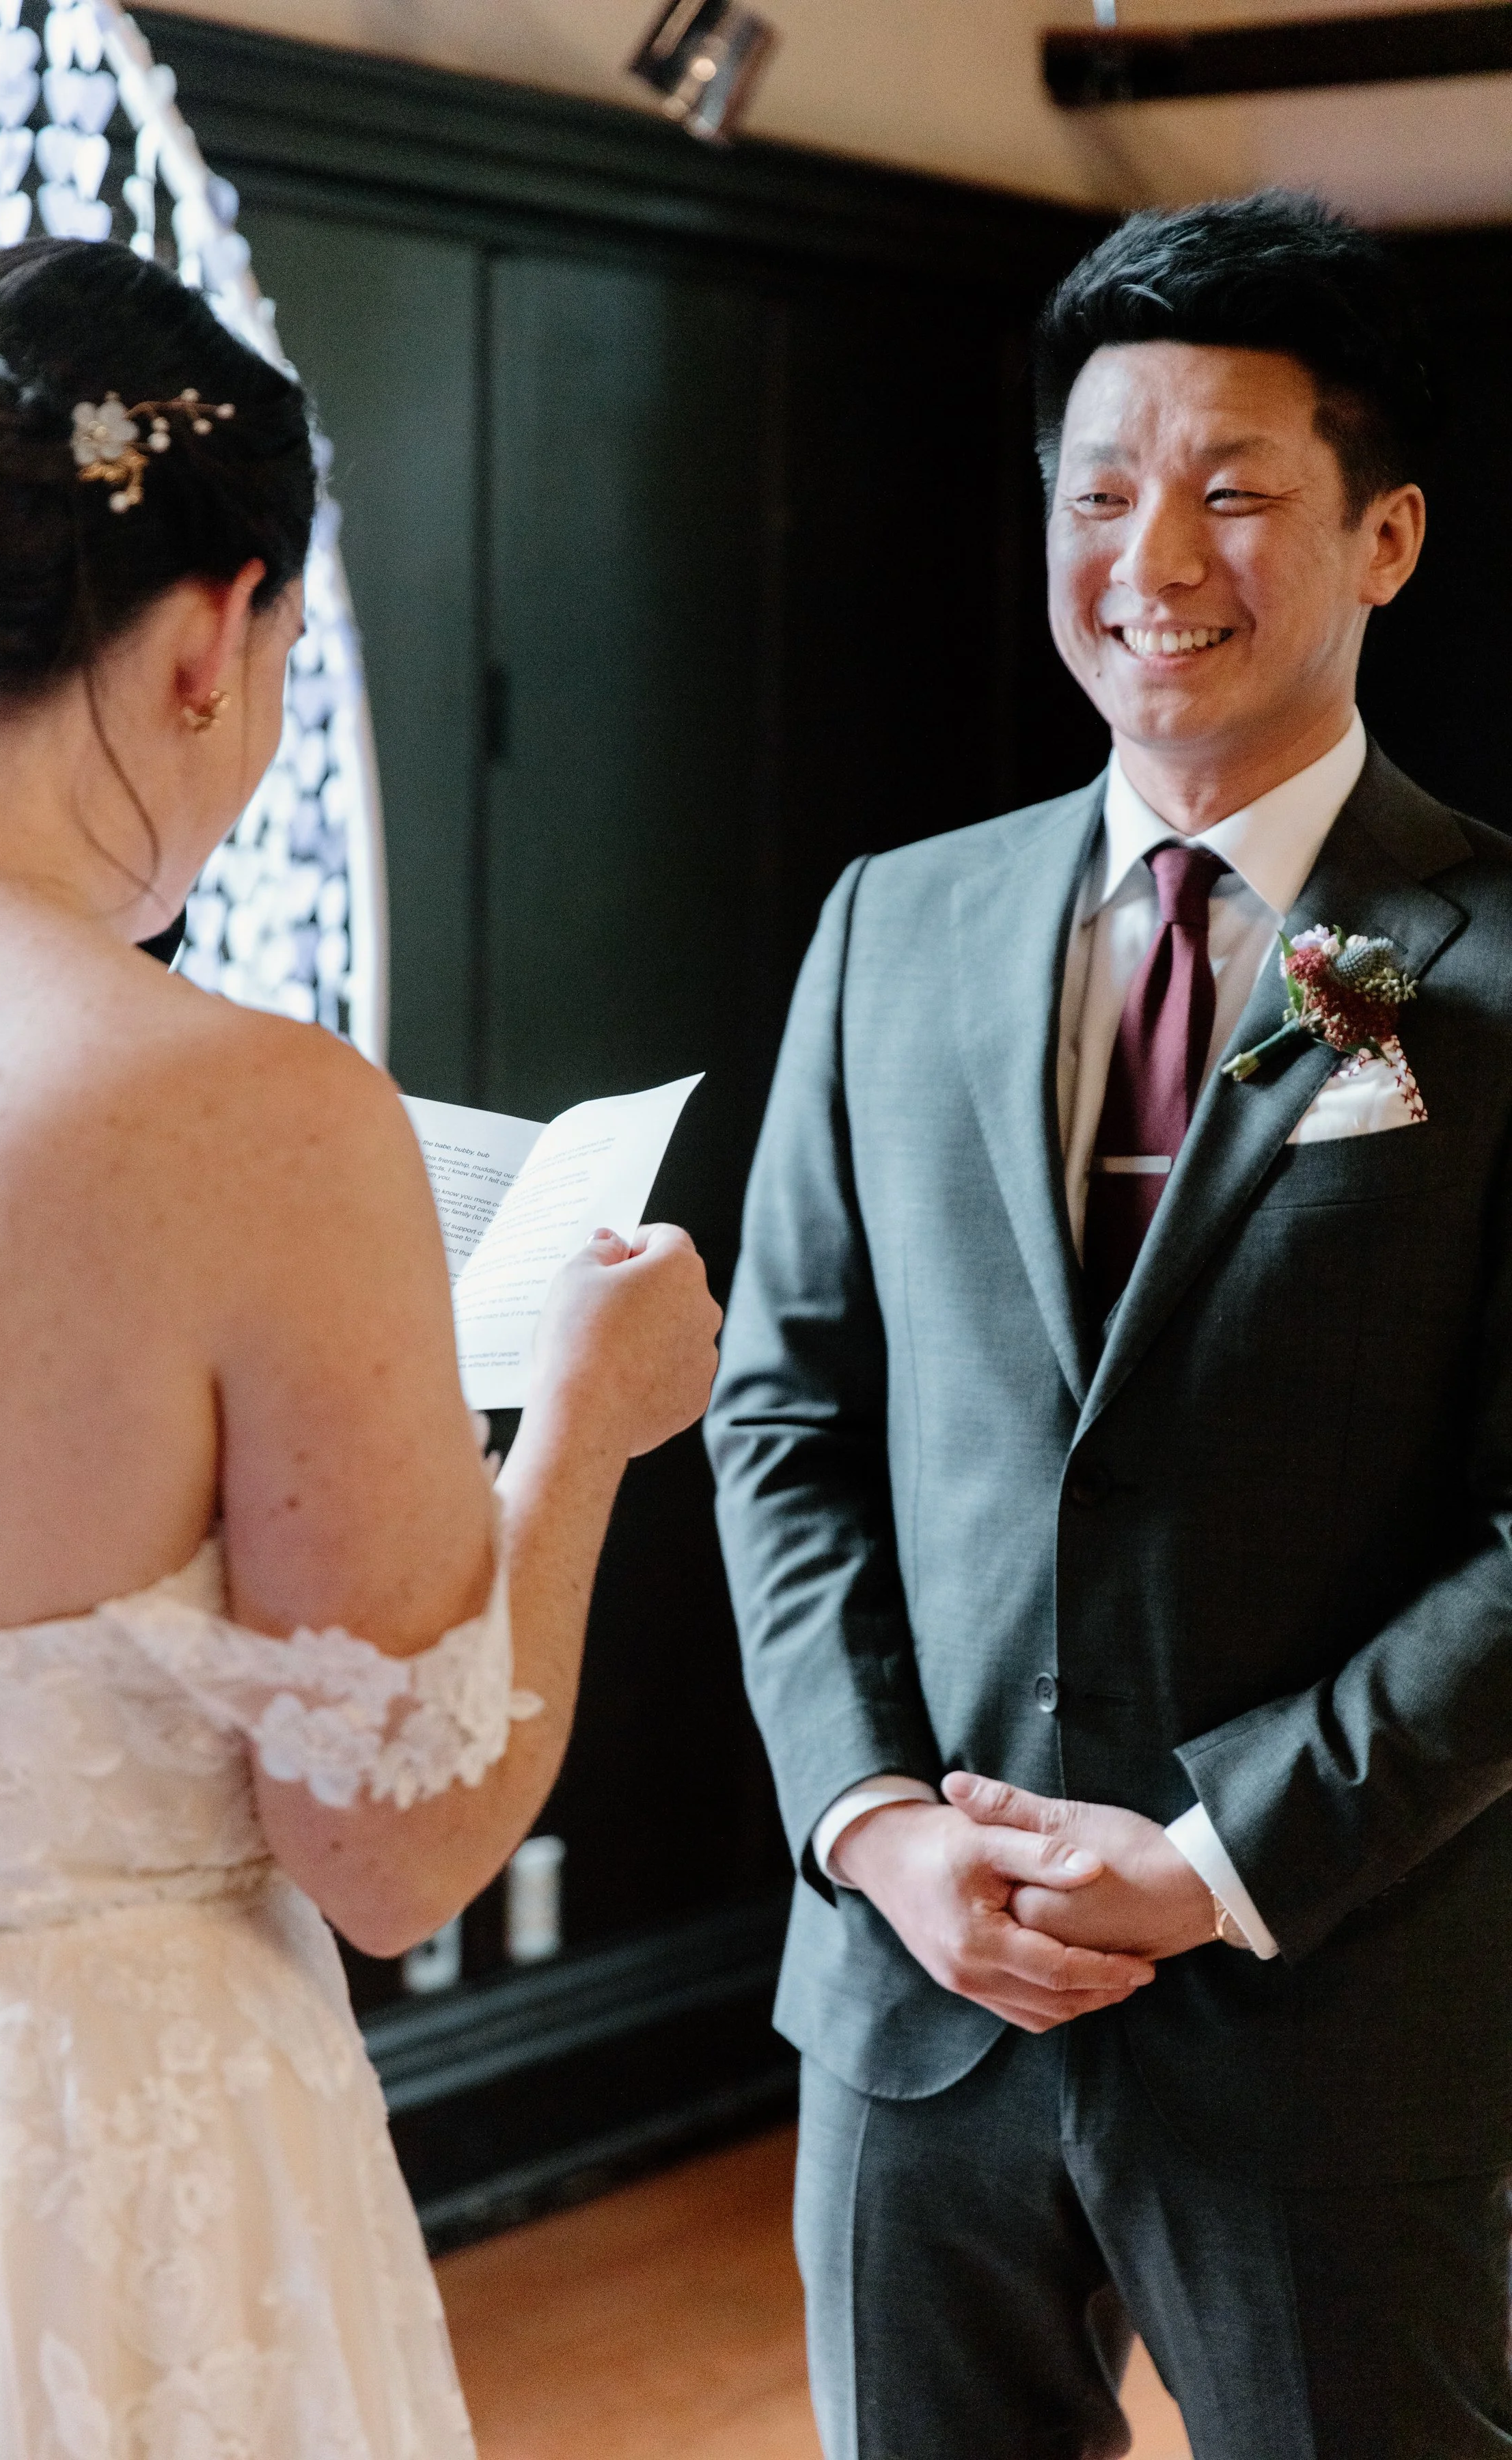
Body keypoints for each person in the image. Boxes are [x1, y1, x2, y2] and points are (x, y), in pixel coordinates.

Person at [0, 235, 719, 2458]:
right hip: (105, 2162)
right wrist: (597, 1427)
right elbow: (396, 1848)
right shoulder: (248, 1113)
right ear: (216, 631)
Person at [706, 189, 1512, 2459]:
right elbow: (787, 1411)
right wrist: (874, 1823)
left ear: (1388, 538)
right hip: (914, 2005)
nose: (1153, 552)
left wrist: (1214, 1859)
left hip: (1333, 2007)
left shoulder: (1487, 964)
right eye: (1099, 488)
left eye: (1237, 489)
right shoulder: (896, 926)